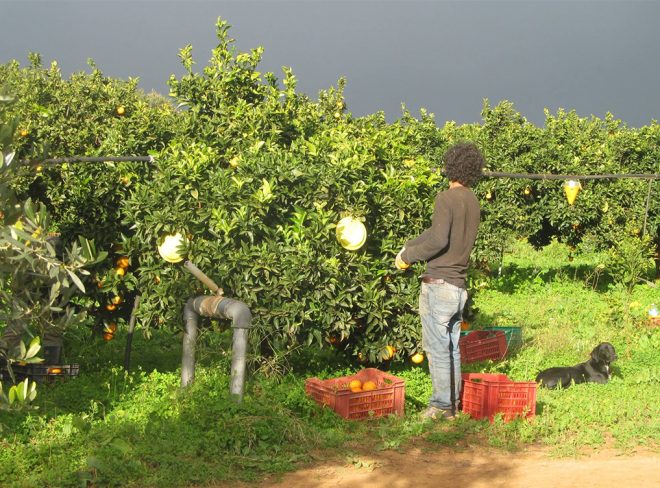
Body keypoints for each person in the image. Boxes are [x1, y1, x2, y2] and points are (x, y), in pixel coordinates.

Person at [395, 142, 485, 420]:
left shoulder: (445, 198)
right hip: (458, 287)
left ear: (451, 166)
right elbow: (434, 232)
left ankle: (441, 406)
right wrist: (410, 244)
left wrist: (407, 257)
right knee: (451, 347)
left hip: (439, 284)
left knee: (437, 348)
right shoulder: (472, 201)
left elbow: (438, 240)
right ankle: (453, 404)